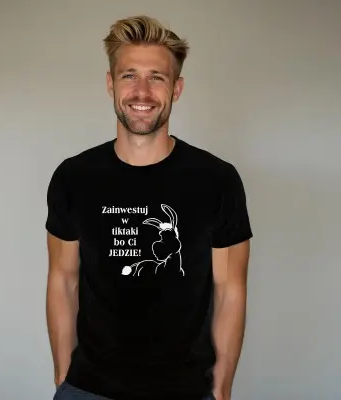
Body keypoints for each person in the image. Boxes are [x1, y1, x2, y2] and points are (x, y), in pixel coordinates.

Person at [45, 15, 252, 400]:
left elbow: (230, 290)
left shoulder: (217, 180)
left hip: (187, 391)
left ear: (177, 88)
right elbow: (63, 279)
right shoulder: (73, 177)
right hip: (88, 390)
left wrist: (221, 391)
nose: (142, 92)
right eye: (129, 76)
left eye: (157, 77)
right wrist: (63, 376)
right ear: (111, 84)